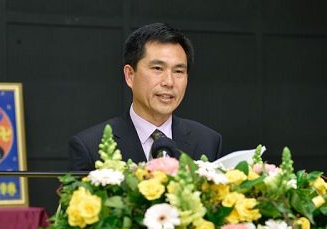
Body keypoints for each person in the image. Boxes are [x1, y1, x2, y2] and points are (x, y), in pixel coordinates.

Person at [68, 22, 222, 171]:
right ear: (130, 75)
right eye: (157, 68)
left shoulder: (208, 142)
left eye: (178, 71)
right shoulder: (90, 147)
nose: (169, 82)